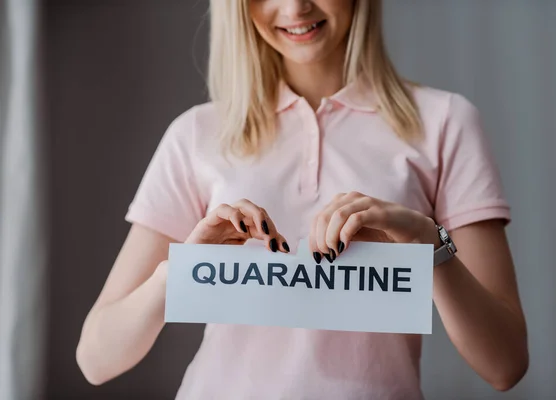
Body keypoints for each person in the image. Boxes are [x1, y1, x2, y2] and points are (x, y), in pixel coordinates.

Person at [76, 0, 529, 398]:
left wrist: (429, 244)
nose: (294, 9)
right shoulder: (196, 134)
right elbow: (97, 361)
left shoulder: (446, 122)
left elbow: (505, 366)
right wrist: (181, 272)